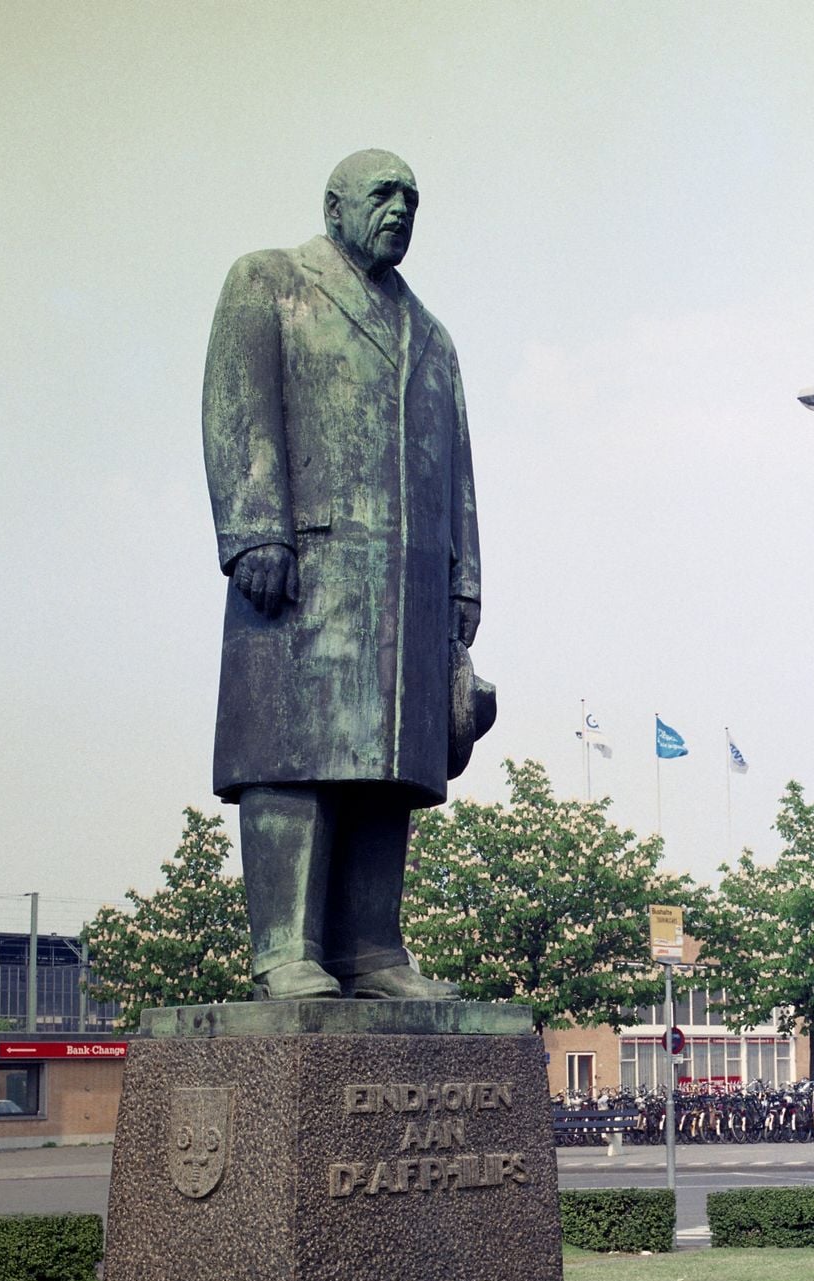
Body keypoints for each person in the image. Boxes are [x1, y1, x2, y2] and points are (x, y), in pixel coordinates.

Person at [202, 150, 488, 1000]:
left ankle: (371, 949)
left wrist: (464, 579)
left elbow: (459, 470)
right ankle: (283, 948)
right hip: (305, 569)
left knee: (387, 765)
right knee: (292, 755)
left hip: (406, 588)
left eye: (412, 197)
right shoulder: (269, 282)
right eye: (382, 194)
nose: (399, 208)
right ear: (334, 208)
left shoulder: (432, 337)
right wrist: (255, 528)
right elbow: (237, 402)